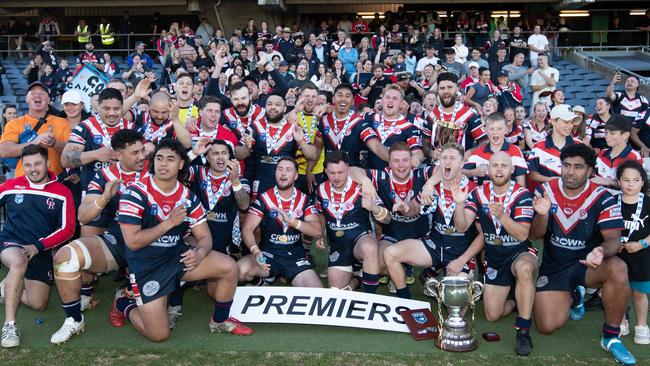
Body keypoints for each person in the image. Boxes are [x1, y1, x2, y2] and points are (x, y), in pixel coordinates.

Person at [116, 139, 253, 342]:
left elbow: (205, 237)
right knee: (159, 335)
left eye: (171, 159)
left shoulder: (187, 196)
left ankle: (220, 321)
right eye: (159, 159)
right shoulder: (134, 192)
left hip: (176, 257)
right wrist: (169, 223)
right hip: (147, 265)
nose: (163, 164)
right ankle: (123, 302)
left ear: (181, 164)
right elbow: (133, 242)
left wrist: (199, 253)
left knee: (229, 267)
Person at [531, 143, 636, 365]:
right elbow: (534, 235)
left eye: (578, 167)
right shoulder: (545, 190)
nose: (570, 171)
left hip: (588, 264)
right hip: (555, 266)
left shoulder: (602, 196)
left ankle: (611, 337)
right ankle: (575, 295)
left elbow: (614, 240)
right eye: (566, 165)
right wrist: (542, 215)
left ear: (590, 171)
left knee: (618, 267)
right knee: (546, 326)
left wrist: (600, 250)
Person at [49, 130, 147, 344]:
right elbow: (83, 215)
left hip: (152, 244)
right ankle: (74, 319)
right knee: (65, 257)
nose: (142, 156)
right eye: (135, 153)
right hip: (119, 240)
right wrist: (104, 198)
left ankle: (126, 298)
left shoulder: (156, 168)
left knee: (153, 319)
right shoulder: (106, 176)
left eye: (142, 150)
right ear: (118, 155)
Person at [453, 151, 537, 356]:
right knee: (492, 315)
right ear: (488, 169)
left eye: (504, 166)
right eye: (495, 165)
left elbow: (522, 234)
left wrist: (502, 216)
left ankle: (523, 331)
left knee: (524, 269)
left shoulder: (522, 194)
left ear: (511, 169)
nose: (499, 169)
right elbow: (462, 227)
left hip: (520, 252)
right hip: (495, 258)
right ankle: (517, 299)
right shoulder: (478, 193)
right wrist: (459, 203)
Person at [0, 145, 75, 348]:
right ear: (22, 166)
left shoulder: (62, 192)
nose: (33, 169)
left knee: (38, 303)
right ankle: (9, 326)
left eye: (38, 164)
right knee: (18, 261)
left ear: (48, 164)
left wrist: (39, 246)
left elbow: (68, 229)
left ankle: (7, 287)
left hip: (40, 250)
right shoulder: (11, 186)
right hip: (12, 243)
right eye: (28, 165)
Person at [385, 143, 480, 299]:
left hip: (460, 252)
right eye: (444, 158)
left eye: (452, 158)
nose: (447, 162)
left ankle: (443, 277)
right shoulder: (433, 186)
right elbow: (414, 208)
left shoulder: (474, 190)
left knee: (454, 298)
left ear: (462, 163)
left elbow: (466, 229)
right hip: (434, 245)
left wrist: (461, 260)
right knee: (390, 253)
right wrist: (404, 208)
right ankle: (405, 299)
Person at [238, 157, 323, 287]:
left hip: (295, 258)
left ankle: (281, 277)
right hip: (268, 255)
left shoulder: (304, 200)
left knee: (316, 292)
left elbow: (317, 231)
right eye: (280, 169)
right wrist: (256, 251)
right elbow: (247, 229)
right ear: (275, 173)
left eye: (288, 170)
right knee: (240, 271)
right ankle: (262, 282)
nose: (283, 173)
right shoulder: (264, 198)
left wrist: (293, 222)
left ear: (295, 176)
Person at [315, 150, 382, 293]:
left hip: (360, 239)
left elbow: (385, 218)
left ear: (348, 170)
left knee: (369, 249)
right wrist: (320, 233)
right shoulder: (321, 190)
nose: (337, 177)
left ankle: (370, 297)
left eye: (341, 172)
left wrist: (375, 209)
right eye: (332, 173)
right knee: (336, 292)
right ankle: (358, 279)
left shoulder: (362, 188)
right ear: (326, 171)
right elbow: (321, 214)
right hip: (338, 246)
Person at [235, 94, 318, 199]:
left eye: (277, 104)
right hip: (260, 182)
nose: (273, 107)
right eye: (269, 104)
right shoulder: (255, 126)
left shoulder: (294, 127)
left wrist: (301, 141)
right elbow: (238, 155)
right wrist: (246, 147)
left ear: (284, 109)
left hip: (285, 182)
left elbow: (313, 156)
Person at [187, 139, 249, 262]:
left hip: (225, 242)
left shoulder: (239, 179)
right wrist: (193, 153)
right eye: (215, 154)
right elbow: (176, 169)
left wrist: (235, 181)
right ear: (207, 158)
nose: (220, 157)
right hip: (198, 239)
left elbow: (244, 205)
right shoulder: (197, 172)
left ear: (229, 156)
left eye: (224, 153)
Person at [0, 82, 71, 178]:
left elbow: (72, 153)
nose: (37, 95)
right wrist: (33, 143)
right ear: (26, 99)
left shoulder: (62, 122)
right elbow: (4, 150)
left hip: (54, 182)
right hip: (24, 183)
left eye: (42, 93)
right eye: (32, 93)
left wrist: (55, 143)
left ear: (49, 100)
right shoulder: (14, 124)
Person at [616, 160, 650, 345]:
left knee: (639, 293)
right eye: (626, 180)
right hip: (618, 255)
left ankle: (642, 326)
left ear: (642, 182)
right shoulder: (612, 201)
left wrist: (642, 244)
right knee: (620, 290)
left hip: (642, 255)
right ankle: (621, 322)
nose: (630, 184)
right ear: (619, 181)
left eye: (635, 180)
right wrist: (614, 243)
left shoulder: (648, 203)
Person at [423, 72, 485, 154]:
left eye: (449, 87)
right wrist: (432, 154)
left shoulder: (469, 115)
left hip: (462, 165)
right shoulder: (431, 116)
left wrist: (467, 154)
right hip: (437, 164)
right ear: (438, 91)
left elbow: (485, 141)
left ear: (457, 90)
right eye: (442, 88)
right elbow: (424, 145)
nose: (446, 91)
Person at [364, 85, 423, 170]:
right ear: (382, 100)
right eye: (387, 97)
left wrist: (416, 158)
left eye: (395, 98)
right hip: (369, 175)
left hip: (394, 177)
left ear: (401, 104)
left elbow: (418, 152)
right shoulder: (368, 118)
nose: (390, 100)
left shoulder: (410, 127)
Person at [463, 113, 528, 187]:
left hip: (509, 196)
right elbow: (459, 173)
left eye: (499, 129)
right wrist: (473, 172)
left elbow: (521, 184)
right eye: (491, 129)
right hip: (483, 197)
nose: (495, 132)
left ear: (506, 130)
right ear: (485, 130)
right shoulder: (477, 153)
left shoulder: (515, 151)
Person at [528, 105, 582, 185]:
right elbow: (532, 174)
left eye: (572, 122)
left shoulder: (579, 145)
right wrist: (550, 180)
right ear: (553, 121)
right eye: (566, 122)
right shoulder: (538, 147)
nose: (570, 126)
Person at [593, 115, 642, 188]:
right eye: (606, 133)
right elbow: (595, 177)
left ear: (626, 135)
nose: (607, 136)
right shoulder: (602, 153)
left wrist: (610, 182)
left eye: (612, 133)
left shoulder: (634, 157)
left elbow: (636, 186)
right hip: (601, 197)